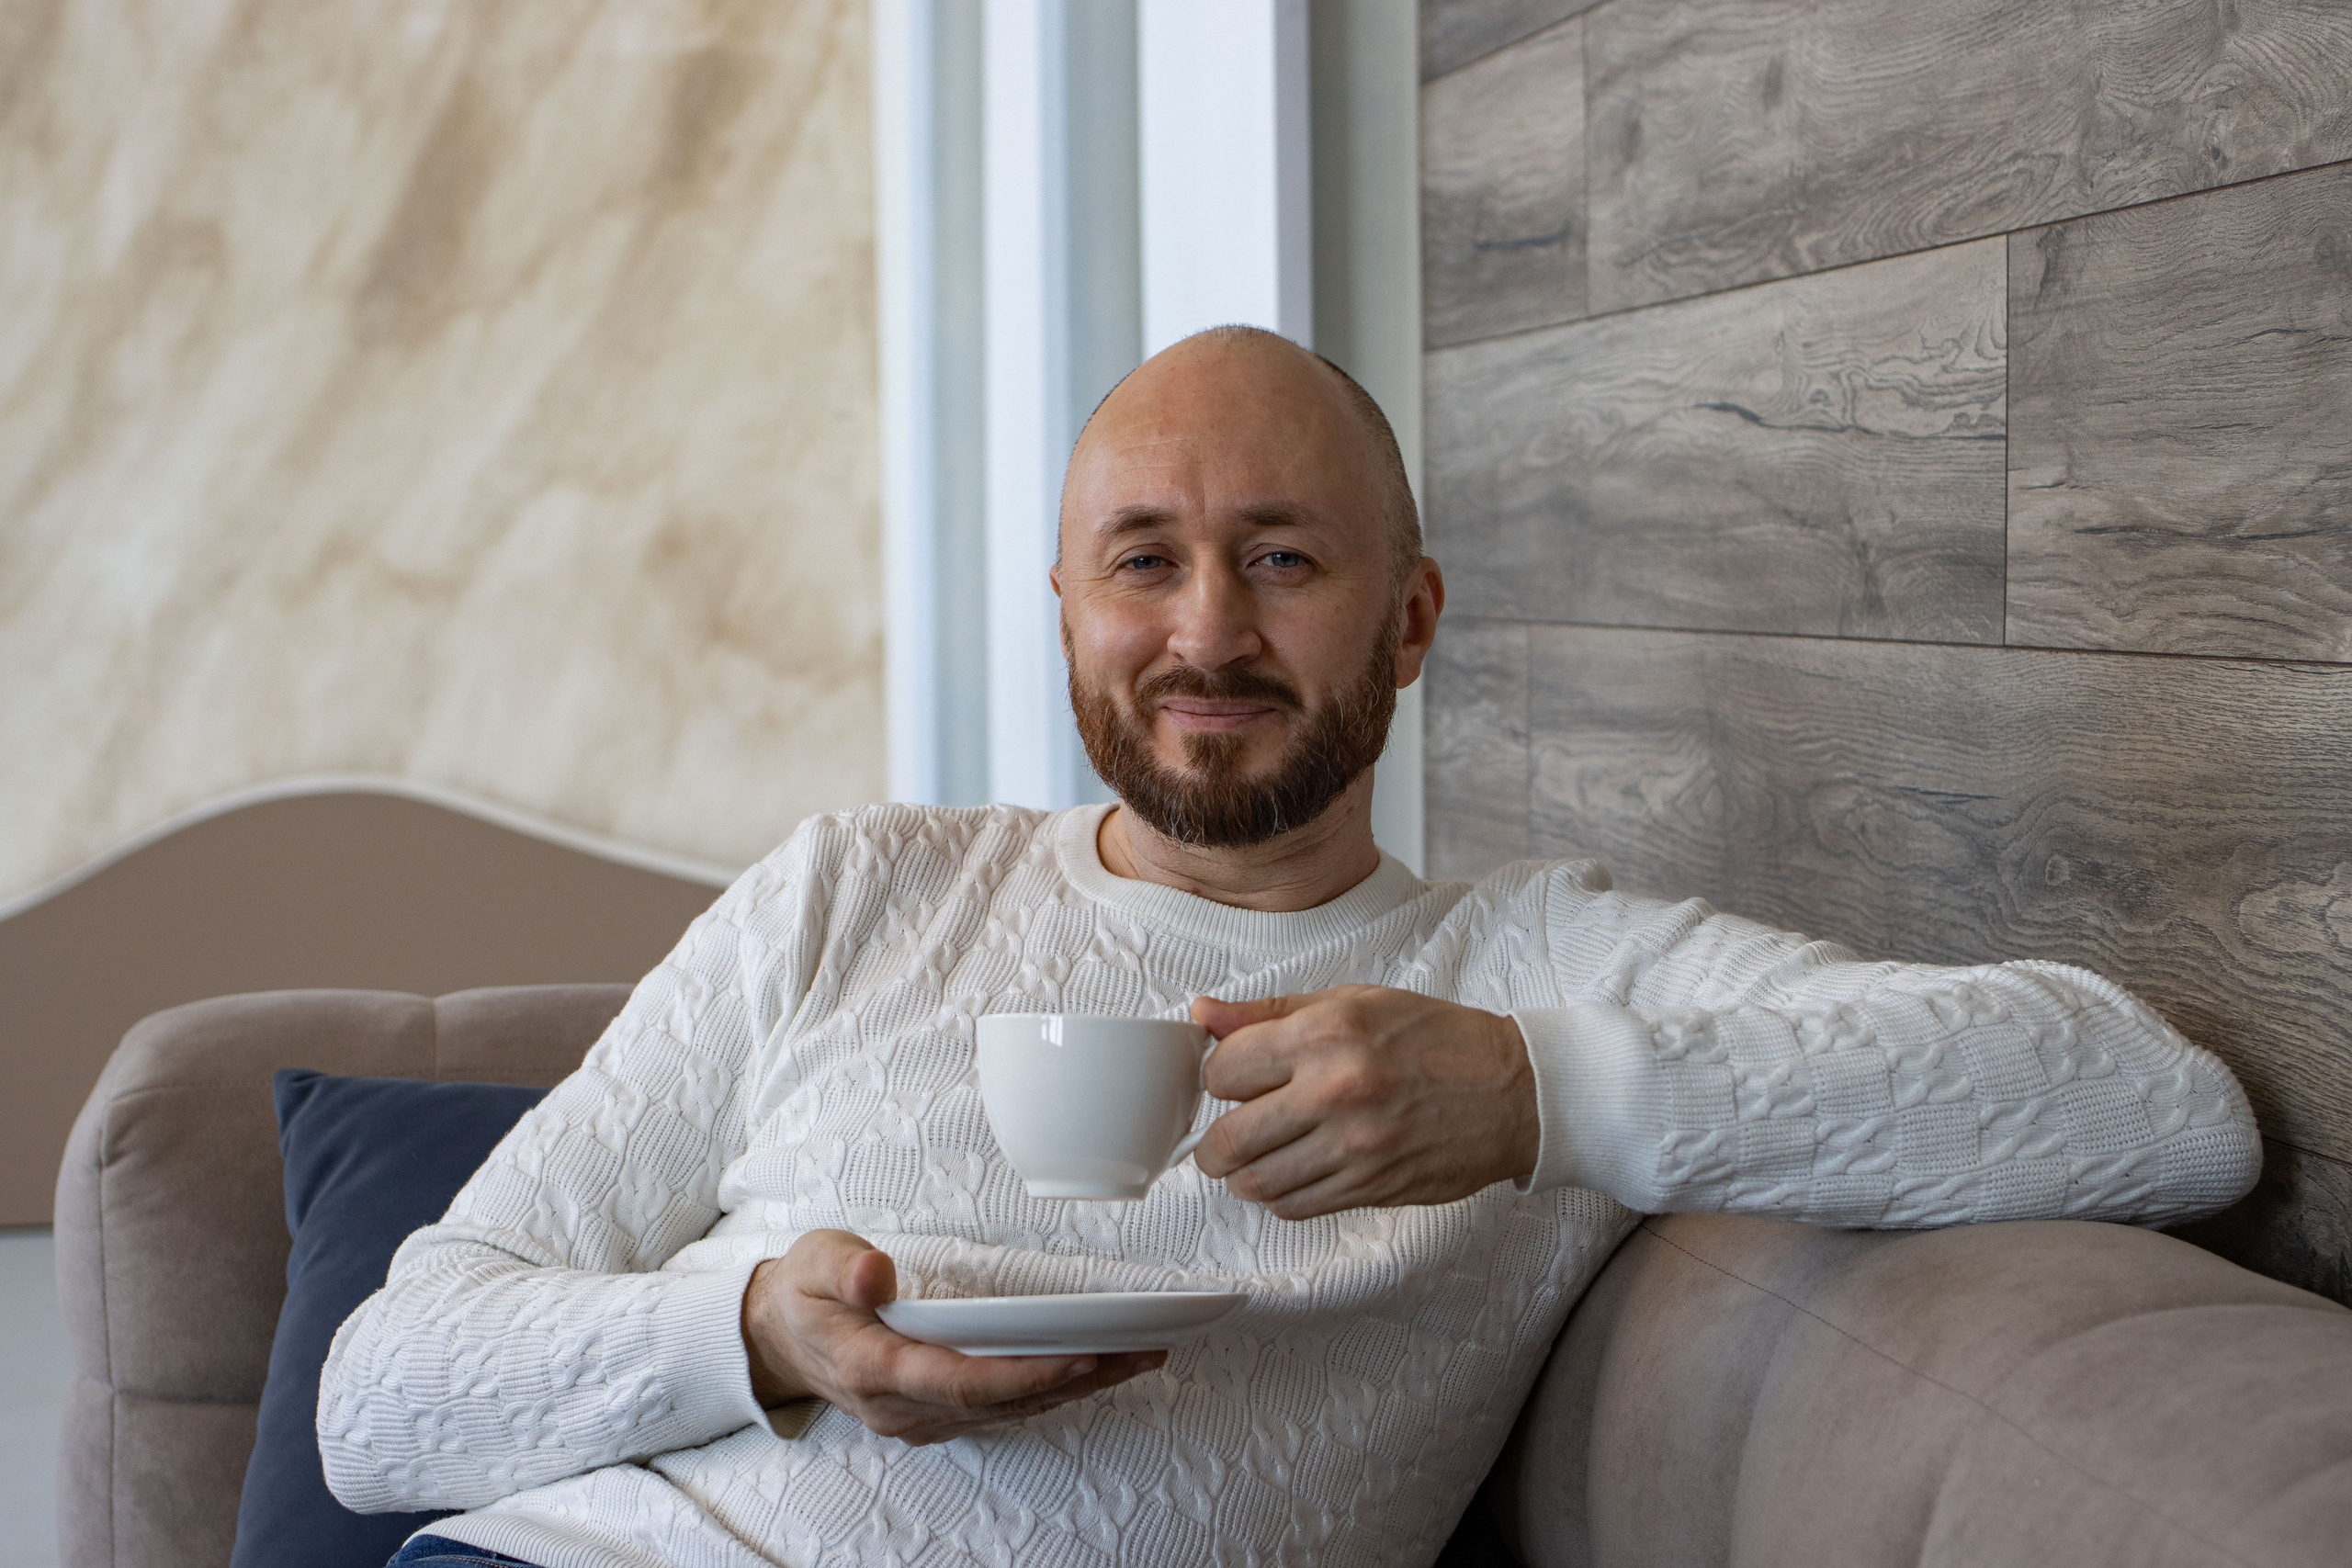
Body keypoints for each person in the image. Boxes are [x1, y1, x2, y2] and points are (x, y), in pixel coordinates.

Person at [322, 326, 2261, 1568]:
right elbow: (380, 1395)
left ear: (1406, 619)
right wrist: (749, 1332)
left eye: (1281, 556)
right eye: (1140, 559)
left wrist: (1536, 1093)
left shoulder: (1525, 968)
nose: (1204, 637)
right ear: (1065, 607)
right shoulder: (856, 884)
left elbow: (2158, 1107)